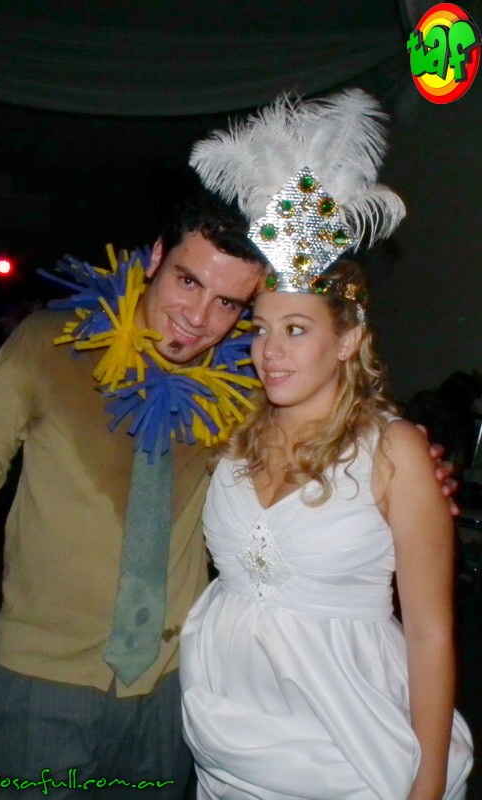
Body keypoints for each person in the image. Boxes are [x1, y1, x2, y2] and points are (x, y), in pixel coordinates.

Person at [0, 150, 458, 795]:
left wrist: (414, 471)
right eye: (187, 281)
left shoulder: (247, 388)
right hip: (43, 680)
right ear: (156, 256)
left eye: (228, 303)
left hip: (176, 687)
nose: (198, 317)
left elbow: (334, 431)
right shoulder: (50, 342)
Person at [180, 90, 473, 798]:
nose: (269, 351)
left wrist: (428, 783)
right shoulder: (230, 429)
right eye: (260, 328)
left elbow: (430, 634)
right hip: (225, 741)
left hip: (348, 747)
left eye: (297, 330)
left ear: (347, 340)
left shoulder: (394, 452)